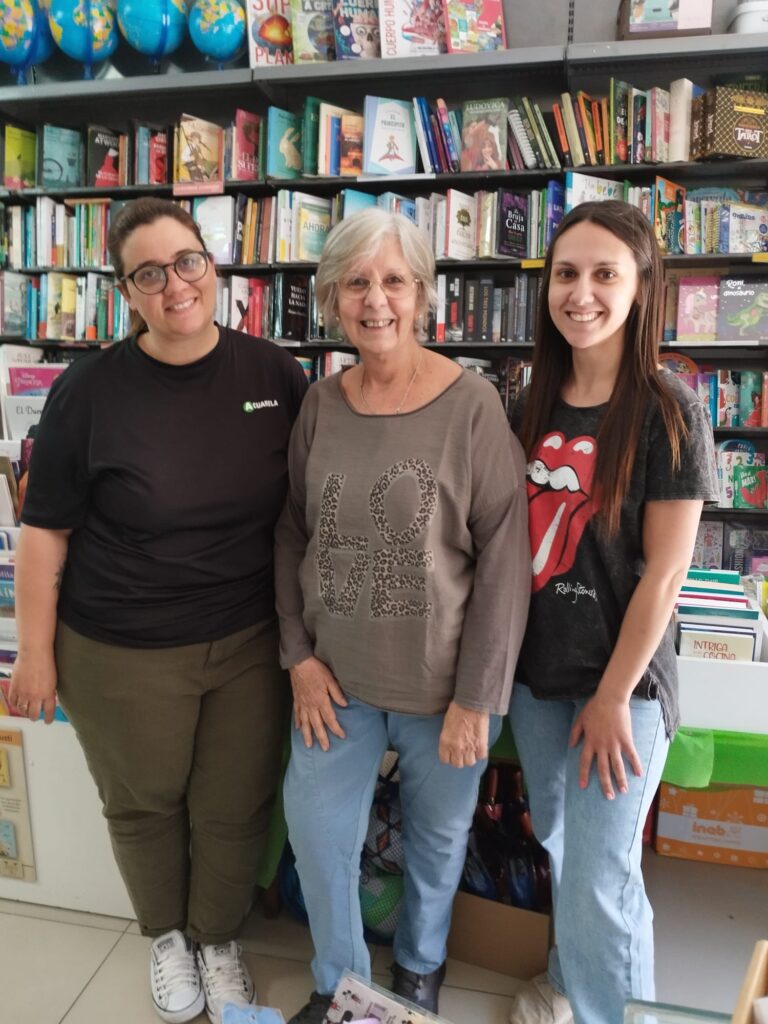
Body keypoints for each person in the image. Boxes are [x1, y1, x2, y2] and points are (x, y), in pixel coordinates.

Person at [8, 197, 308, 1024]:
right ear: (126, 291)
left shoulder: (274, 374)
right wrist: (35, 654)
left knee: (235, 801)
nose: (174, 284)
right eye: (149, 272)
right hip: (123, 647)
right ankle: (167, 937)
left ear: (212, 266)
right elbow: (43, 533)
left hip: (248, 639)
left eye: (187, 261)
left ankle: (217, 939)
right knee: (144, 803)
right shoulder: (90, 391)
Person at [274, 207, 530, 1024]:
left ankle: (420, 964)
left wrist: (479, 697)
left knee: (437, 841)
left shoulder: (473, 405)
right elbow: (288, 530)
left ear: (422, 293)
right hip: (334, 682)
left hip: (442, 687)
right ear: (331, 299)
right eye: (356, 282)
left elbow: (503, 560)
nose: (375, 300)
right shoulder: (320, 403)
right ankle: (340, 981)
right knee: (317, 836)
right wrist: (297, 656)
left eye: (393, 280)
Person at [506, 200, 718, 1024]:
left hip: (619, 688)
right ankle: (574, 985)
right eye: (566, 273)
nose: (581, 293)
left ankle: (607, 1011)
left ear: (641, 289)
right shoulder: (523, 402)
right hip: (536, 676)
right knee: (568, 853)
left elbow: (665, 576)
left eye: (605, 274)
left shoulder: (669, 411)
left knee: (603, 870)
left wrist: (610, 698)